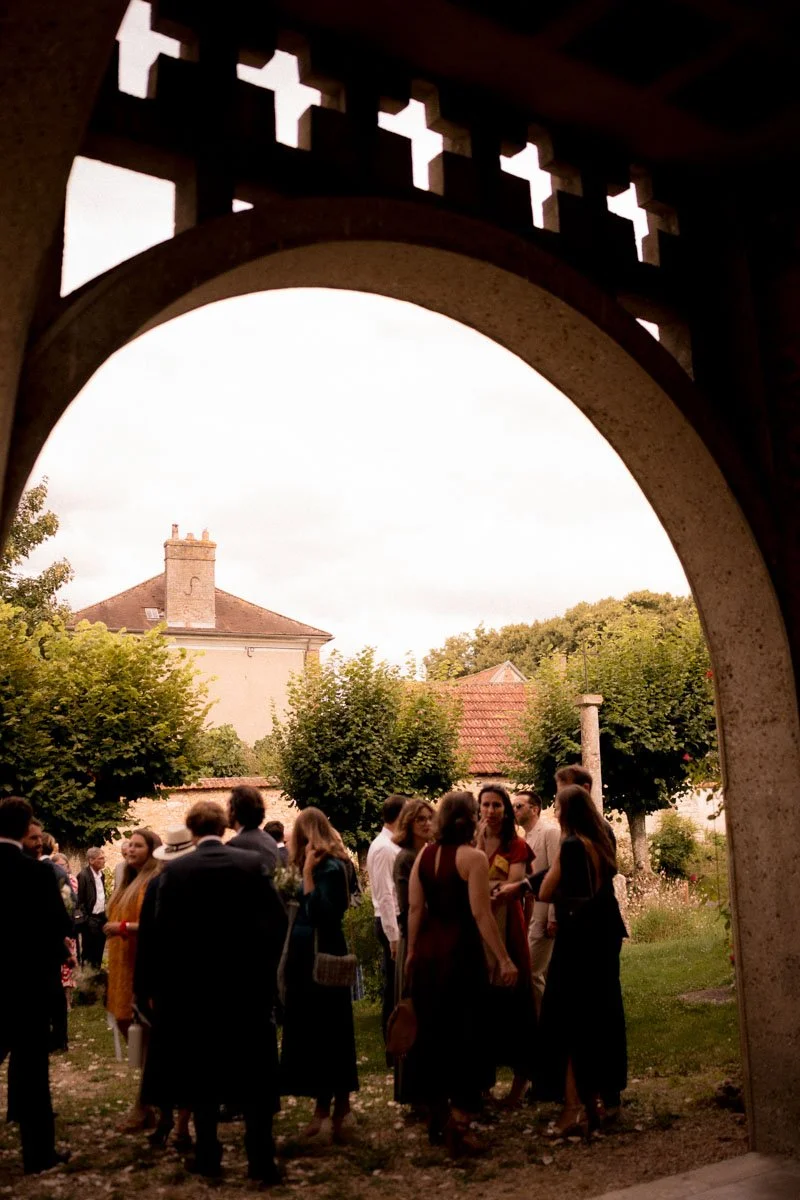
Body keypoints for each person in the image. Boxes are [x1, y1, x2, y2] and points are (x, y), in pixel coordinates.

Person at [146, 801, 286, 1183]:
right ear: (225, 827)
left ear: (191, 831)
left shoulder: (176, 873)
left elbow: (163, 934)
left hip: (195, 991)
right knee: (256, 1074)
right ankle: (261, 1160)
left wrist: (170, 983)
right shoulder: (249, 865)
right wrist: (263, 968)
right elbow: (276, 921)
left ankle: (208, 1155)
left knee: (203, 1072)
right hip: (246, 987)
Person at [405, 791, 517, 1156]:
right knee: (467, 1034)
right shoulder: (474, 858)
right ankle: (460, 1122)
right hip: (461, 955)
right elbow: (481, 914)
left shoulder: (424, 855)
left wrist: (409, 954)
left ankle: (437, 1114)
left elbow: (415, 908)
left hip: (428, 954)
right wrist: (503, 958)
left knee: (433, 1033)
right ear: (471, 819)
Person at [535, 784, 627, 1136]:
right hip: (602, 937)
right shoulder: (599, 842)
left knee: (567, 1021)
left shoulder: (572, 845)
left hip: (578, 941)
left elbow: (546, 891)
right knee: (596, 1018)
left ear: (566, 811)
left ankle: (574, 1107)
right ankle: (595, 1103)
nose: (554, 811)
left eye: (557, 806)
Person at [0, 797, 71, 1174]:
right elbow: (59, 925)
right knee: (31, 1071)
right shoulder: (37, 874)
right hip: (28, 984)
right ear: (26, 826)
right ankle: (38, 1154)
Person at [280, 807, 359, 1142]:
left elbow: (323, 912)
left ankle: (332, 1109)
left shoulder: (328, 866)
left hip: (320, 954)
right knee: (323, 1032)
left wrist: (308, 875)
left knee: (329, 1032)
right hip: (307, 956)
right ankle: (331, 1107)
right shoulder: (323, 863)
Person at [134, 827, 196, 1154]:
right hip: (190, 980)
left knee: (165, 1054)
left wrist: (143, 987)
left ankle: (170, 1119)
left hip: (166, 981)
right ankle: (179, 1122)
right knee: (183, 1054)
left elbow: (147, 940)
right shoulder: (191, 882)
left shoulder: (157, 884)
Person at [476, 785, 536, 1107]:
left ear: (506, 810)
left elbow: (512, 886)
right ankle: (482, 1085)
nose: (491, 811)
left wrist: (482, 889)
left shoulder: (517, 845)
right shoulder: (473, 842)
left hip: (509, 930)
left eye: (497, 805)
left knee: (517, 1009)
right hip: (479, 931)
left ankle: (518, 1086)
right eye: (485, 805)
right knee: (483, 1010)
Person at [390, 799, 434, 1104]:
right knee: (412, 1009)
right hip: (414, 936)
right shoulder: (405, 858)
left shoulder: (431, 853)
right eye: (420, 819)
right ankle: (414, 1090)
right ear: (409, 823)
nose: (426, 824)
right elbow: (408, 907)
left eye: (430, 818)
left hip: (434, 935)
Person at [104, 830, 161, 1046]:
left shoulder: (152, 883)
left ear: (151, 851)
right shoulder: (127, 881)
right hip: (122, 964)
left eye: (138, 846)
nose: (130, 849)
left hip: (140, 961)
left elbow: (155, 925)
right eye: (130, 845)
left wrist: (123, 928)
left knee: (142, 1023)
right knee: (123, 1019)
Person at [512, 790, 561, 1012]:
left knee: (530, 971)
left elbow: (557, 873)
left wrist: (554, 916)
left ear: (534, 809)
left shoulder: (549, 832)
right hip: (530, 910)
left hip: (545, 911)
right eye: (513, 806)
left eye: (519, 806)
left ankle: (538, 1023)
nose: (514, 810)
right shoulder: (524, 838)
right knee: (547, 971)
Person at [365, 795, 405, 1047]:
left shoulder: (392, 845)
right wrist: (393, 936)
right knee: (393, 988)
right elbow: (385, 895)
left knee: (398, 985)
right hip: (390, 921)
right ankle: (393, 1043)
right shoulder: (383, 848)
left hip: (395, 920)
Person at [227, 784, 279, 873]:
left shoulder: (235, 844)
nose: (225, 811)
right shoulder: (269, 840)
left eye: (227, 806)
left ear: (234, 810)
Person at [52, 854, 79, 1013]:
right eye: (59, 865)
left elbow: (69, 903)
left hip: (68, 930)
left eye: (64, 865)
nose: (62, 868)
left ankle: (68, 1002)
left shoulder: (72, 881)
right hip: (56, 931)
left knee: (68, 968)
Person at [76, 846, 108, 968]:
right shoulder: (83, 876)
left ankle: (97, 979)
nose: (104, 860)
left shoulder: (101, 875)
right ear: (91, 860)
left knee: (99, 952)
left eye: (103, 858)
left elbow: (100, 896)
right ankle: (87, 981)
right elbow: (79, 901)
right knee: (89, 953)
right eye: (101, 858)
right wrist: (86, 920)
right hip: (90, 920)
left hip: (101, 919)